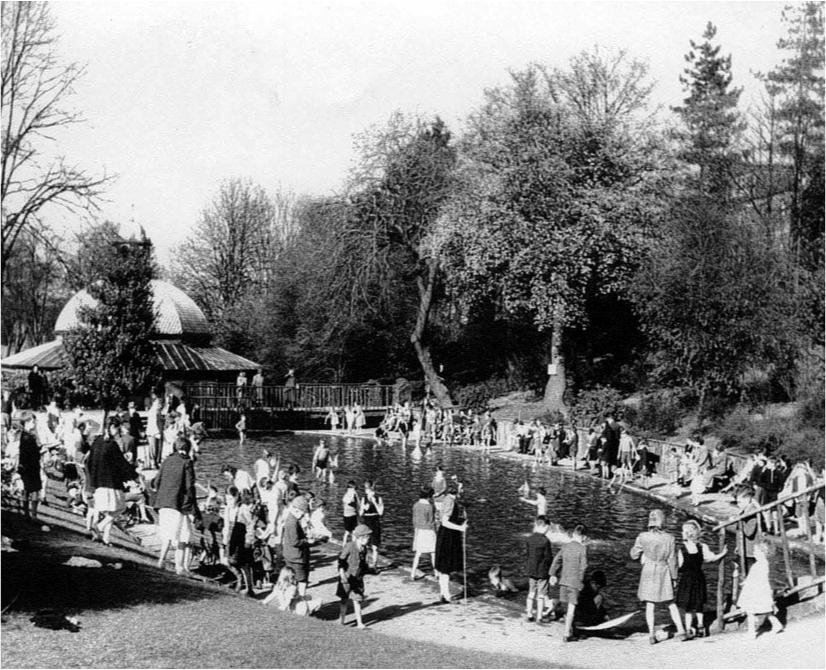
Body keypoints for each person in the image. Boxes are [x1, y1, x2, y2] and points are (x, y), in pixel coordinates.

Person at [630, 509, 688, 644]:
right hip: (663, 570)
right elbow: (672, 560)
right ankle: (681, 630)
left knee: (650, 604)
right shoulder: (670, 538)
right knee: (671, 602)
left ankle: (651, 635)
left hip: (649, 570)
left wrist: (639, 550)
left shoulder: (642, 536)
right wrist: (674, 578)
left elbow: (633, 555)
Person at [86, 416, 138, 546]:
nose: (117, 431)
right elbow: (122, 464)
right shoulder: (112, 445)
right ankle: (100, 526)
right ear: (110, 428)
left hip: (98, 482)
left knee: (106, 510)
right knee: (120, 508)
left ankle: (105, 538)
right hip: (111, 482)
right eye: (116, 428)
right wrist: (134, 477)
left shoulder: (97, 441)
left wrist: (92, 481)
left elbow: (90, 461)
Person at [154, 436, 201, 575]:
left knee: (167, 536)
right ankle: (179, 567)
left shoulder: (167, 460)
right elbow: (189, 487)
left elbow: (156, 482)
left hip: (163, 504)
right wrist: (194, 507)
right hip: (177, 505)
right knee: (183, 537)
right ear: (187, 449)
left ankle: (161, 561)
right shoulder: (186, 462)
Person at [676, 520, 727, 639]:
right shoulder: (702, 547)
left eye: (683, 531)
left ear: (687, 534)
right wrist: (722, 553)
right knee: (699, 604)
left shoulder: (682, 549)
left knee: (688, 607)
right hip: (699, 577)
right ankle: (701, 627)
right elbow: (711, 558)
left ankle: (688, 629)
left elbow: (679, 566)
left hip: (687, 579)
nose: (682, 533)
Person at [550, 523, 589, 642]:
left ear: (573, 534)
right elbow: (584, 567)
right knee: (572, 608)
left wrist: (552, 574)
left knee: (566, 607)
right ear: (584, 537)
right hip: (574, 582)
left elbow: (557, 560)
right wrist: (581, 581)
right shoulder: (583, 549)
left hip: (564, 580)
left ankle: (571, 629)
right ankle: (567, 634)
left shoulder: (565, 546)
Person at [737, 540, 784, 638]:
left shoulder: (761, 564)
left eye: (756, 551)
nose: (754, 553)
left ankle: (751, 632)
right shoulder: (760, 564)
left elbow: (758, 578)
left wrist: (748, 584)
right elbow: (753, 577)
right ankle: (776, 624)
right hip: (757, 589)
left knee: (751, 610)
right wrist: (746, 582)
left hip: (757, 590)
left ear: (763, 552)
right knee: (765, 610)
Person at [282, 495, 324, 597]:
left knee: (292, 581)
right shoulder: (293, 522)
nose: (304, 514)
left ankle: (294, 601)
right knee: (302, 580)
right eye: (303, 511)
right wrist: (310, 541)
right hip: (297, 557)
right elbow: (295, 542)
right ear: (298, 509)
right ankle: (301, 601)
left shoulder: (291, 519)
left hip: (290, 555)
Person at [434, 484, 467, 604]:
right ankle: (447, 596)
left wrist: (460, 520)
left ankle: (443, 593)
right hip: (448, 536)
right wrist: (461, 528)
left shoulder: (447, 499)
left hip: (445, 535)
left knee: (444, 568)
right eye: (461, 489)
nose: (462, 491)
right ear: (457, 491)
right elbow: (445, 522)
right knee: (446, 567)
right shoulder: (451, 502)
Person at [337, 524, 373, 629]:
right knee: (344, 599)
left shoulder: (364, 549)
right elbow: (341, 560)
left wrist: (370, 570)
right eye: (367, 537)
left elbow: (363, 564)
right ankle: (341, 621)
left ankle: (359, 623)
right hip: (347, 577)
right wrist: (342, 572)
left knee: (357, 600)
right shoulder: (350, 546)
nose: (369, 539)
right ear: (361, 537)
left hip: (357, 578)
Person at [222, 486, 255, 594]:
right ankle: (239, 578)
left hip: (241, 539)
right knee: (227, 561)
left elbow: (250, 525)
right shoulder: (227, 509)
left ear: (236, 496)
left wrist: (249, 541)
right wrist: (225, 540)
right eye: (227, 499)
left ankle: (249, 588)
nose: (229, 502)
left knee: (243, 564)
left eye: (231, 499)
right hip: (231, 539)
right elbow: (226, 526)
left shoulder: (243, 509)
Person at [524, 515, 553, 623]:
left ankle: (529, 615)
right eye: (548, 528)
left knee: (531, 593)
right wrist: (551, 572)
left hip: (531, 570)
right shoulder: (545, 541)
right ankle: (539, 617)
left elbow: (527, 554)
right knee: (541, 595)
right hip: (542, 572)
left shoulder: (529, 538)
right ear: (545, 527)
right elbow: (548, 558)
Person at [17, 411, 42, 522]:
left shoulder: (24, 435)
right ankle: (34, 515)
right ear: (26, 422)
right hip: (31, 466)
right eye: (32, 421)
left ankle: (26, 514)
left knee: (26, 490)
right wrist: (40, 450)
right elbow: (30, 453)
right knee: (35, 490)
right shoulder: (29, 437)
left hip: (25, 466)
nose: (34, 423)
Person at [410, 486, 437, 580]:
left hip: (419, 531)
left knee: (418, 554)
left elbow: (414, 520)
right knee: (433, 553)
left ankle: (412, 573)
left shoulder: (416, 505)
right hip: (429, 531)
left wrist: (416, 530)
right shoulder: (429, 506)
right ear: (429, 496)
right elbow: (431, 521)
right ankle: (436, 573)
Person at [360, 480, 384, 569]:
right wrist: (363, 508)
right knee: (365, 544)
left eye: (370, 490)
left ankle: (374, 565)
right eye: (366, 490)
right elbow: (360, 513)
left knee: (375, 546)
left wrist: (374, 503)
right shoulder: (364, 499)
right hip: (366, 521)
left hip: (375, 522)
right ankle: (365, 564)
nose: (368, 492)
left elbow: (381, 512)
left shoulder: (378, 498)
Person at [146, 390, 163, 467]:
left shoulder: (158, 411)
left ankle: (156, 462)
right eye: (158, 403)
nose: (160, 405)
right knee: (153, 448)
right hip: (153, 432)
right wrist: (158, 432)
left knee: (158, 448)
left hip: (157, 431)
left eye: (160, 403)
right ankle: (153, 463)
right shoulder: (153, 411)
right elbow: (154, 422)